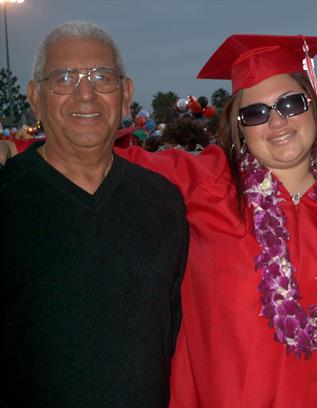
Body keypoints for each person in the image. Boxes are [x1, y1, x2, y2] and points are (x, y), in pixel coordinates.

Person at [116, 34, 317, 407]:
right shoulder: (208, 188)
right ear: (239, 128)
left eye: (291, 103)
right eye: (255, 113)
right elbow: (105, 161)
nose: (277, 121)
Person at [0, 21, 189, 406]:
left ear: (125, 94)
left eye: (102, 77)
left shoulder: (163, 204)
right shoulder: (7, 199)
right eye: (64, 77)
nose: (85, 94)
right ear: (35, 97)